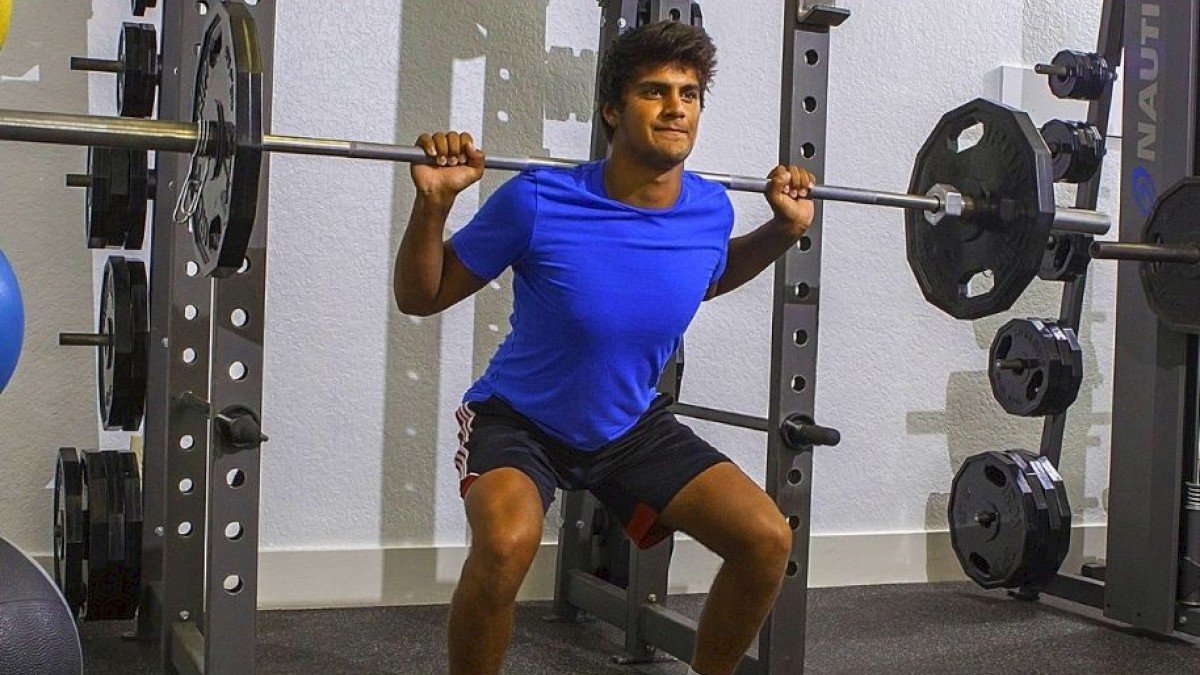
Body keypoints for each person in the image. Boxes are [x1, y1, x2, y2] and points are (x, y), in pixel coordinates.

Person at [394, 19, 815, 675]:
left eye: (690, 92)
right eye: (655, 90)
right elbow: (422, 296)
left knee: (765, 539)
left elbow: (703, 277)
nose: (676, 106)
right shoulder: (538, 201)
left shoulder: (711, 210)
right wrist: (432, 207)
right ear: (613, 109)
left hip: (627, 424)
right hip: (520, 419)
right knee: (506, 544)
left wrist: (782, 232)